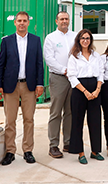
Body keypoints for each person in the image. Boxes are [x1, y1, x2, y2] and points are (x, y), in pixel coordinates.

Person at [0, 11, 45, 166]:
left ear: (28, 23)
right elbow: (1, 64)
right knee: (10, 120)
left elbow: (39, 64)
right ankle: (10, 151)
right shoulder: (6, 41)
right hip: (10, 85)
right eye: (19, 21)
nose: (22, 23)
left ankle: (28, 150)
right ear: (15, 23)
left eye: (24, 20)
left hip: (29, 85)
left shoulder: (36, 41)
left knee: (29, 119)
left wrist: (40, 83)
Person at [67, 29, 105, 164]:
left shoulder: (96, 56)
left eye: (88, 38)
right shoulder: (74, 57)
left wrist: (97, 89)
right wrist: (85, 91)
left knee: (95, 121)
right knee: (77, 122)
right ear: (78, 40)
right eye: (83, 38)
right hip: (79, 90)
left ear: (91, 40)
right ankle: (80, 152)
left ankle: (95, 151)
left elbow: (101, 73)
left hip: (95, 89)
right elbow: (71, 76)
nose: (85, 40)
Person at [43, 11, 77, 158]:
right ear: (56, 21)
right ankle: (53, 145)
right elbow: (49, 59)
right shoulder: (51, 38)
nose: (64, 21)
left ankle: (68, 142)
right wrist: (64, 70)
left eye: (66, 19)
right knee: (56, 112)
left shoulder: (75, 36)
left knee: (70, 112)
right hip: (58, 78)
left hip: (74, 78)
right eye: (62, 19)